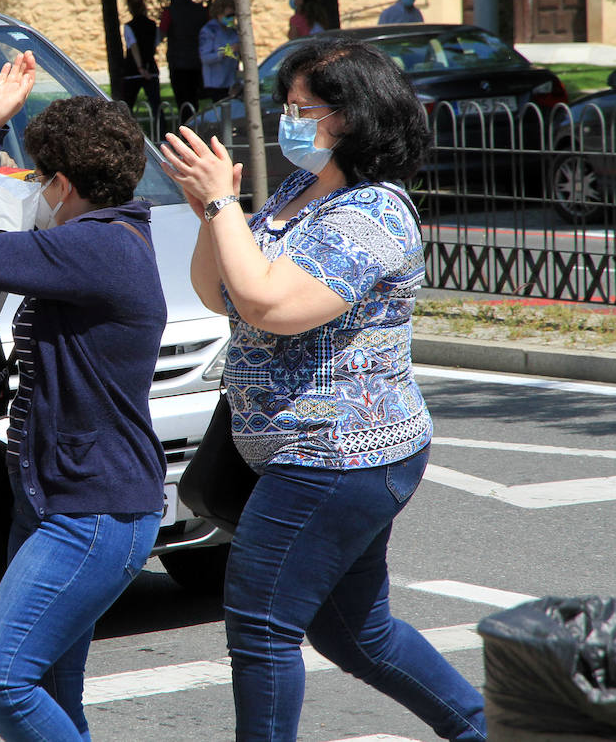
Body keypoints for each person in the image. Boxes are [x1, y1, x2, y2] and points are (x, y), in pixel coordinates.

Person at [158, 38, 486, 742]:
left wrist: (221, 202)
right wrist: (209, 212)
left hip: (337, 453)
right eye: (288, 106)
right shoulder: (297, 192)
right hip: (305, 452)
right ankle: (487, 727)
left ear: (353, 115)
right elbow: (220, 293)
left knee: (260, 623)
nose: (289, 120)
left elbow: (274, 306)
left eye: (302, 107)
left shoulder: (372, 214)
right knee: (357, 634)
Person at [0, 56, 166, 742]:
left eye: (37, 178)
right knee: (55, 692)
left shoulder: (99, 248)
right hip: (50, 498)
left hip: (93, 511)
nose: (30, 190)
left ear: (63, 184)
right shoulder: (87, 234)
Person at [160, 0, 208, 123]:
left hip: (178, 62)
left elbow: (161, 34)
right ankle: (195, 127)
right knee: (193, 100)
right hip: (196, 61)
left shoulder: (170, 12)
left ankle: (187, 131)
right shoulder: (199, 10)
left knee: (182, 102)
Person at [120, 0, 161, 123]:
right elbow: (154, 46)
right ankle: (162, 132)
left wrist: (140, 67)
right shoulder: (152, 25)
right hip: (150, 67)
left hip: (134, 69)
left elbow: (134, 47)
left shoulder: (129, 26)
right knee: (156, 105)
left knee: (127, 105)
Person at [198, 0, 239, 105]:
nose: (231, 18)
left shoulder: (233, 31)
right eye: (228, 15)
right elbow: (205, 58)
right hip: (215, 84)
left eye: (233, 15)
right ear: (219, 14)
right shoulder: (209, 31)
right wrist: (226, 52)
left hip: (230, 82)